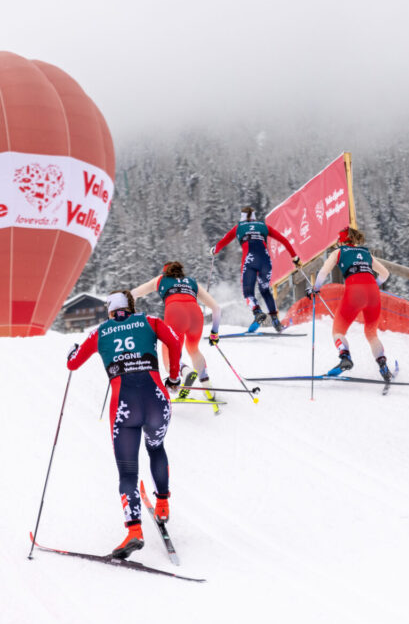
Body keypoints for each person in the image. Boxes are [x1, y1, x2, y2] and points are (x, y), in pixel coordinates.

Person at [66, 290, 183, 558]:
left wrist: (72, 352)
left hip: (124, 409)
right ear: (131, 307)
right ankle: (162, 503)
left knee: (128, 473)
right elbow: (175, 343)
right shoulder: (151, 321)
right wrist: (174, 377)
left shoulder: (100, 332)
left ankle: (134, 531)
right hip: (157, 401)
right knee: (156, 447)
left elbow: (73, 364)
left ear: (110, 311)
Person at [308, 226, 393, 381]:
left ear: (341, 241)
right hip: (373, 293)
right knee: (371, 333)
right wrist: (373, 285)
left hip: (355, 292)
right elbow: (385, 273)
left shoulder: (338, 252)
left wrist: (315, 288)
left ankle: (345, 356)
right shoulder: (366, 253)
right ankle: (383, 365)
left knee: (338, 330)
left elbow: (323, 272)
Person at [131, 261, 222, 399]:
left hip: (175, 314)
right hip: (196, 315)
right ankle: (207, 386)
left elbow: (134, 293)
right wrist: (214, 332)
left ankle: (185, 371)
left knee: (169, 353)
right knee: (193, 349)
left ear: (165, 272)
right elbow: (216, 308)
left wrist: (131, 315)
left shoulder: (160, 279)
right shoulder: (192, 281)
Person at [211, 206, 300, 332]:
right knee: (265, 290)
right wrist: (295, 258)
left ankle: (257, 312)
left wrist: (214, 250)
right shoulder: (263, 226)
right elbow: (284, 240)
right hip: (265, 261)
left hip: (250, 260)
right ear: (254, 216)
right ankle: (276, 321)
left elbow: (222, 242)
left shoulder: (238, 227)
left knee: (248, 293)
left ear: (242, 217)